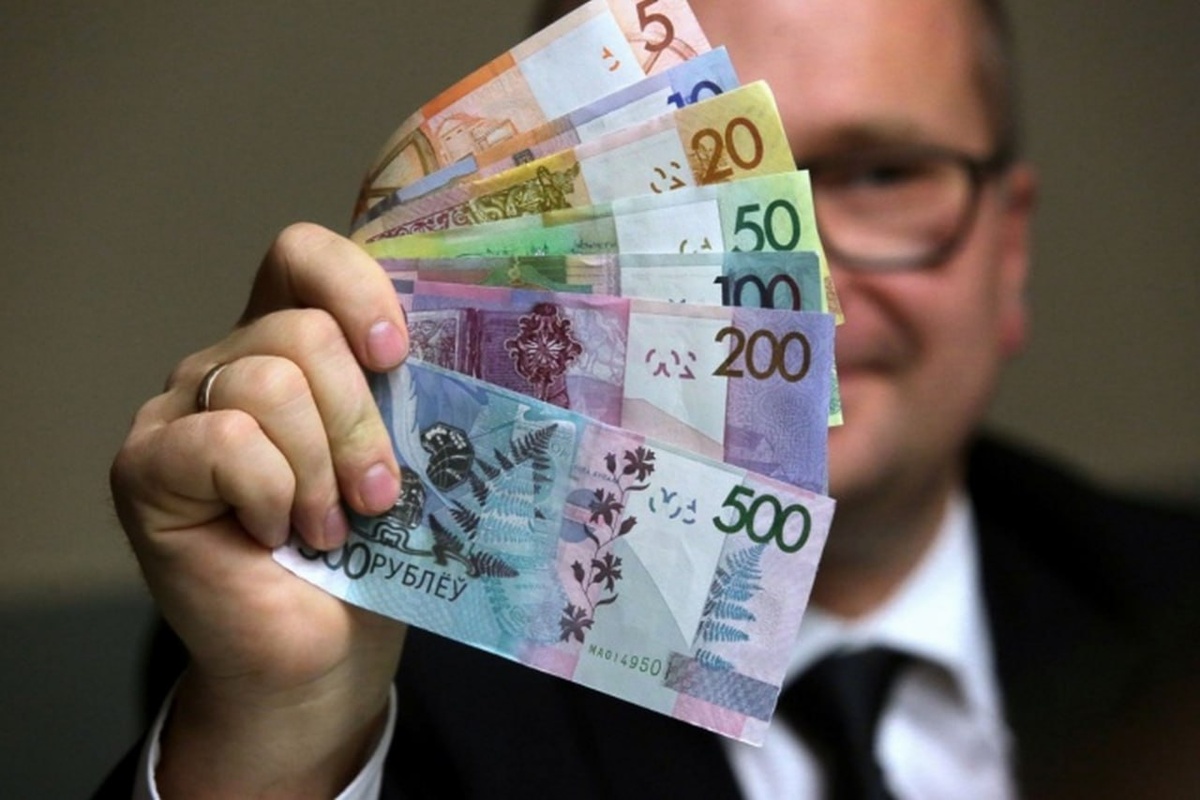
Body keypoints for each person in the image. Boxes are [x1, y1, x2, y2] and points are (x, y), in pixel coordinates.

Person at [97, 0, 1200, 797]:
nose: (798, 281)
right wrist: (284, 732)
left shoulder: (1177, 614)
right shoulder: (369, 671)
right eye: (706, 184)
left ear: (1009, 250)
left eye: (880, 174)